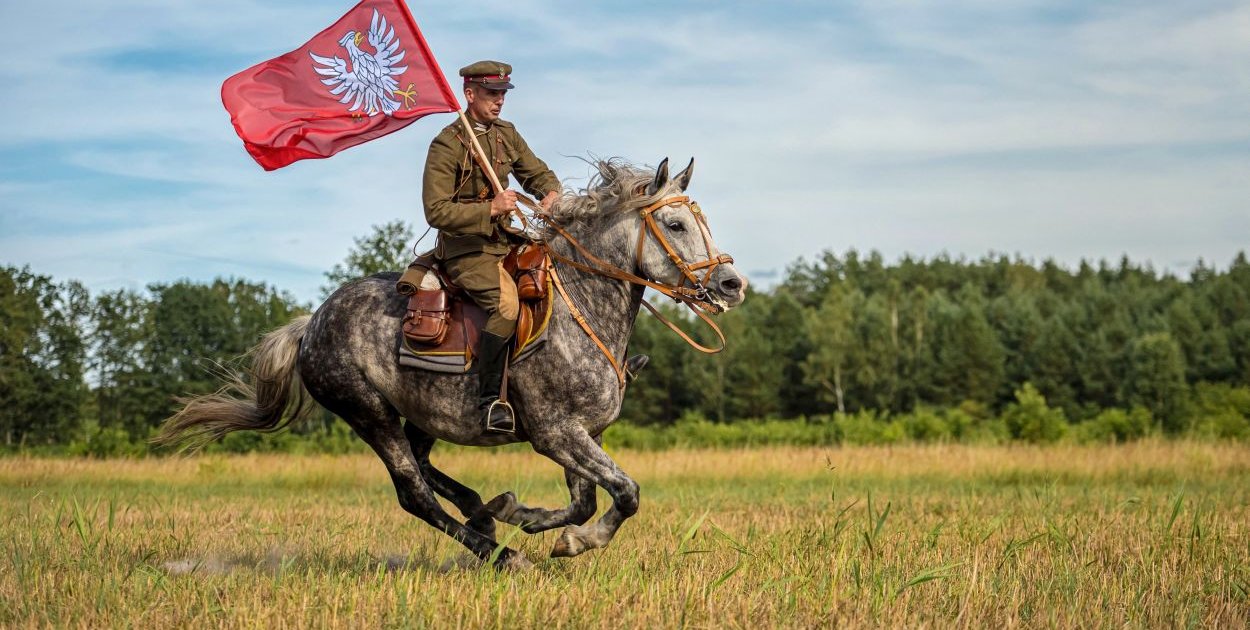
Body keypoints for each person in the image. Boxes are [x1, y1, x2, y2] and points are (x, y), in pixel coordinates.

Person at [422, 60, 560, 433]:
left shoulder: (506, 134)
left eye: (503, 94)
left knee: (560, 278)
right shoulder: (447, 143)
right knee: (507, 305)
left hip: (504, 243)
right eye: (491, 94)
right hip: (466, 251)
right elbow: (435, 210)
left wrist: (550, 192)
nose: (499, 101)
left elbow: (536, 172)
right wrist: (492, 208)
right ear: (470, 94)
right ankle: (490, 402)